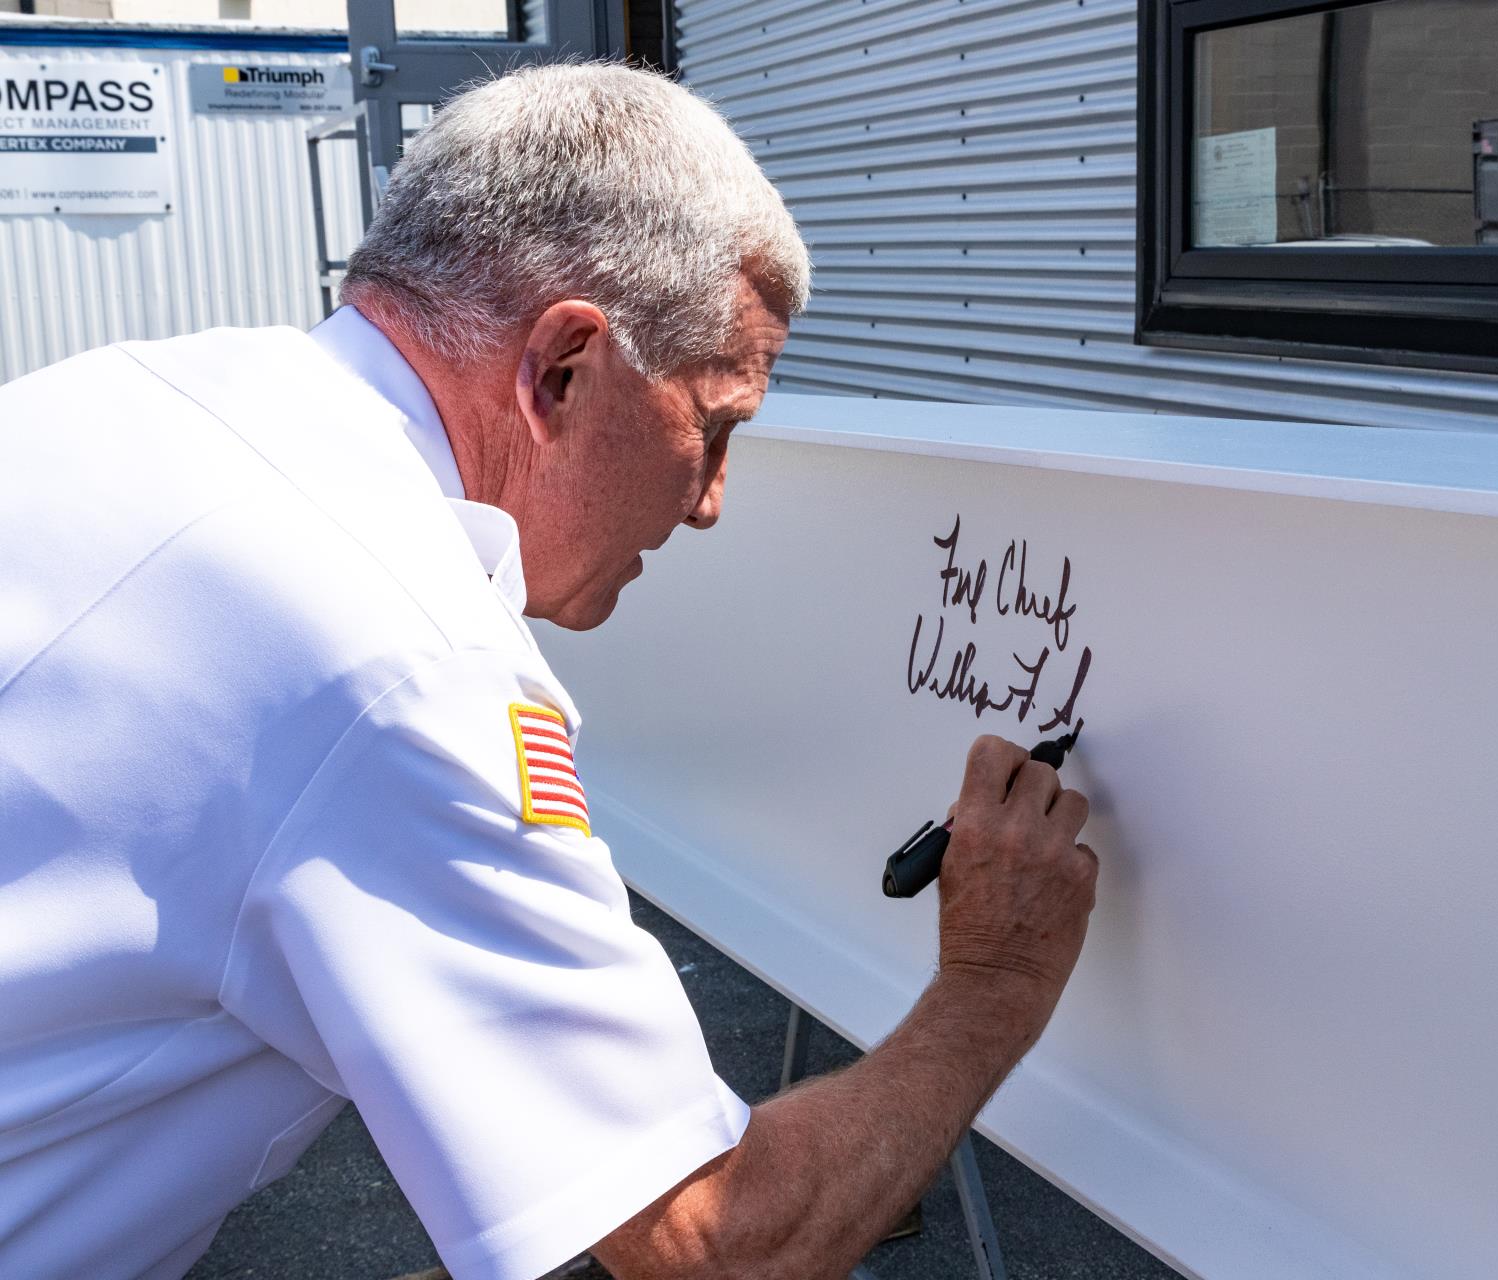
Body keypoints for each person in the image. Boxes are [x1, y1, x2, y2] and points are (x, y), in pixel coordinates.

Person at [0, 63, 1098, 1280]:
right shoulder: (405, 668)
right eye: (715, 424)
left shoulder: (132, 393)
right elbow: (712, 1245)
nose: (710, 504)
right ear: (563, 368)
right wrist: (995, 983)